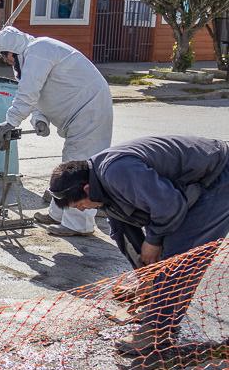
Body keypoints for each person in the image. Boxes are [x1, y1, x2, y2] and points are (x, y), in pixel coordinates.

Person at [48, 135, 229, 355]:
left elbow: (169, 207)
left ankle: (157, 331)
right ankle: (151, 289)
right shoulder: (100, 182)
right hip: (190, 187)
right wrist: (147, 275)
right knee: (121, 230)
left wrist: (153, 241)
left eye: (79, 205)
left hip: (219, 176)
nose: (82, 210)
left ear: (86, 189)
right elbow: (124, 226)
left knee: (180, 255)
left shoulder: (117, 172)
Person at [0, 26, 112, 236]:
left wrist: (10, 122)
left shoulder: (39, 50)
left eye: (6, 57)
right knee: (67, 165)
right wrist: (40, 119)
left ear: (12, 52)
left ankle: (78, 225)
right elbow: (35, 97)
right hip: (81, 112)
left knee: (78, 167)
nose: (8, 62)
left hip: (90, 110)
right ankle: (58, 213)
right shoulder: (29, 61)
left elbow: (27, 94)